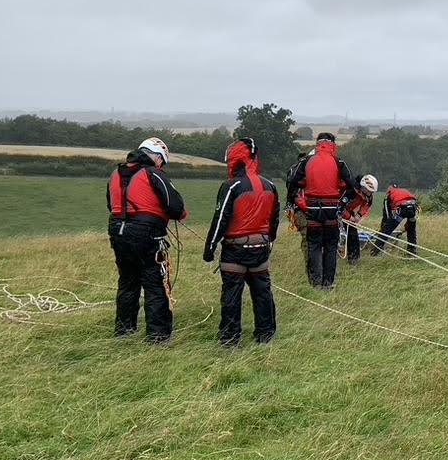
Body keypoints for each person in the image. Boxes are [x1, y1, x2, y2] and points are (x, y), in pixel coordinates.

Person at [106, 137, 187, 345]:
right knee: (155, 283)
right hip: (146, 233)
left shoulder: (116, 173)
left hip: (118, 230)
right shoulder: (154, 174)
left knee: (128, 281)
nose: (162, 165)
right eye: (162, 161)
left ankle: (124, 330)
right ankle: (158, 337)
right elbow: (175, 206)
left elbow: (112, 204)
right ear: (157, 157)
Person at [203, 137, 280, 347]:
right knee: (263, 294)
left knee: (231, 295)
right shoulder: (270, 185)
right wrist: (269, 240)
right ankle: (266, 335)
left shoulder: (231, 186)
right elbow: (274, 219)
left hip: (235, 250)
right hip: (261, 248)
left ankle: (230, 339)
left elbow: (220, 219)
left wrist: (209, 249)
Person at [285, 132, 351, 289]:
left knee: (313, 245)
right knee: (330, 246)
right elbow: (351, 183)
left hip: (311, 208)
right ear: (332, 144)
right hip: (331, 209)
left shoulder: (307, 161)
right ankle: (329, 283)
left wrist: (293, 199)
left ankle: (315, 282)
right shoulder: (337, 161)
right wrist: (340, 198)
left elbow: (292, 181)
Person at [371, 184, 419, 256]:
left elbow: (386, 215)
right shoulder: (403, 190)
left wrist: (382, 228)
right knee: (411, 231)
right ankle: (412, 253)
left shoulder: (389, 195)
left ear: (389, 189)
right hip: (413, 208)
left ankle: (374, 252)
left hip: (401, 208)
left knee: (385, 231)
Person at [341, 174, 378, 265]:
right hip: (336, 211)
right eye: (370, 191)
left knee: (353, 234)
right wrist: (349, 218)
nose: (371, 193)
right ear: (364, 188)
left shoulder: (368, 196)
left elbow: (366, 206)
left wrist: (358, 215)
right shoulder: (350, 191)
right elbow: (340, 207)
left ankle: (354, 258)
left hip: (349, 212)